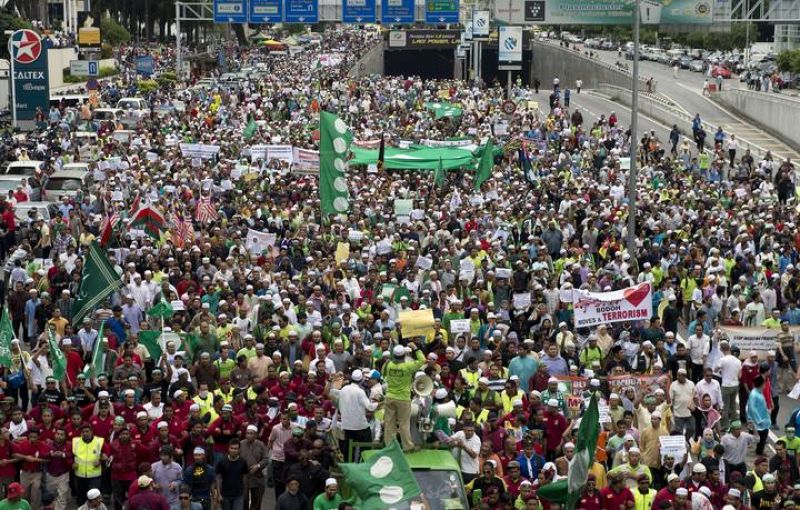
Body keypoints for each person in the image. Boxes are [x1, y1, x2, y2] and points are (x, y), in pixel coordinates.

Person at [382, 342, 425, 452]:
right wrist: (415, 348)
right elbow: (422, 360)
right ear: (404, 355)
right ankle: (408, 446)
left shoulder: (389, 364)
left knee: (389, 423)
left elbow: (383, 373)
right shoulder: (408, 366)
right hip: (403, 398)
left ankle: (390, 447)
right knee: (404, 424)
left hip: (389, 396)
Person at [334, 370, 378, 461]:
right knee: (366, 448)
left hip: (347, 425)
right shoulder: (360, 392)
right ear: (361, 380)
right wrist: (378, 402)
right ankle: (365, 463)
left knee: (348, 450)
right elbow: (370, 407)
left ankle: (349, 465)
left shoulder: (344, 390)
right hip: (360, 426)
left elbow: (332, 392)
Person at [213, 439, 249, 510]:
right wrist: (218, 494)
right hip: (225, 495)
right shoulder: (222, 462)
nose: (233, 450)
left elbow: (245, 478)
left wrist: (245, 493)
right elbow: (218, 478)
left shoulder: (243, 462)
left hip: (238, 495)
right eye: (232, 448)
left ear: (239, 450)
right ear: (228, 449)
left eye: (236, 448)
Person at [746, 376, 771, 455]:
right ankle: (759, 451)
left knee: (763, 436)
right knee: (761, 437)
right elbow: (752, 408)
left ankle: (759, 450)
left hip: (763, 418)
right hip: (758, 420)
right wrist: (758, 420)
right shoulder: (754, 394)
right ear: (761, 384)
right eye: (764, 383)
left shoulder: (759, 392)